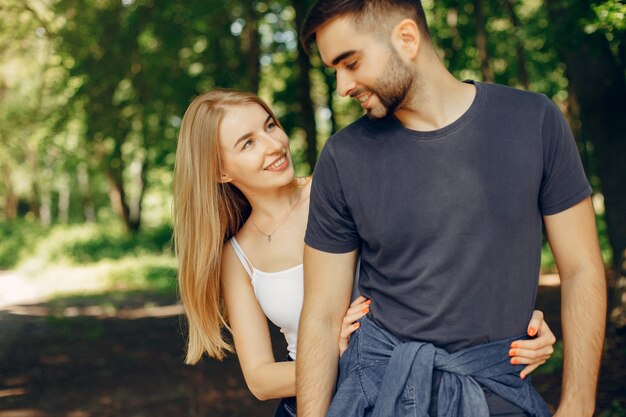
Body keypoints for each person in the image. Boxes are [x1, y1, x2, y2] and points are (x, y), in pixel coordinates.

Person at [296, 1, 607, 417]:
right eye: (333, 70)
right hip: (382, 398)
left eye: (350, 62)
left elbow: (581, 268)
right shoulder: (342, 156)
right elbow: (320, 315)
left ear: (406, 38)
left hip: (500, 397)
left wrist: (578, 404)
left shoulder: (534, 120)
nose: (341, 86)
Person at [171, 89, 558, 417]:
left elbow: (443, 266)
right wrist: (329, 354)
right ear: (220, 171)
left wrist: (510, 318)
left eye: (270, 125)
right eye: (248, 143)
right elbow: (259, 379)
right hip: (317, 405)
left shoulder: (338, 186)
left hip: (411, 390)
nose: (274, 145)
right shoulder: (236, 255)